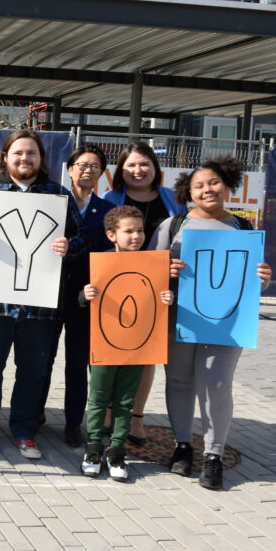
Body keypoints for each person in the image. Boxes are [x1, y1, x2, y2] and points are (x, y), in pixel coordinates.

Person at [0, 129, 87, 459]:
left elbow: (81, 239)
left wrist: (69, 246)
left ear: (41, 159)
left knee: (33, 371)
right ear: (6, 157)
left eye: (31, 153)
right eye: (18, 153)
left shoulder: (58, 197)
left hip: (40, 307)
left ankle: (25, 431)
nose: (24, 159)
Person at [152, 156, 271, 490]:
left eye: (214, 183)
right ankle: (183, 446)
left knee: (217, 383)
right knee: (179, 380)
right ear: (188, 192)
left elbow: (254, 281)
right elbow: (148, 271)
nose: (208, 190)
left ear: (228, 184)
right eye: (199, 186)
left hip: (227, 322)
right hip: (180, 318)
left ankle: (213, 455)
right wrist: (167, 273)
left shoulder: (244, 228)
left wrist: (264, 279)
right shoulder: (173, 226)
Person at [80, 206, 174, 481]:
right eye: (128, 231)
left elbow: (158, 303)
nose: (136, 236)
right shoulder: (101, 263)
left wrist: (167, 298)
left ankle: (117, 451)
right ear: (111, 235)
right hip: (105, 346)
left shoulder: (154, 265)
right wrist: (85, 295)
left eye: (140, 230)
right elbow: (80, 300)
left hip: (138, 347)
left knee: (125, 402)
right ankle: (93, 449)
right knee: (98, 400)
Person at [103, 141, 185, 446]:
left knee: (146, 356)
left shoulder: (174, 201)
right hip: (118, 286)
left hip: (159, 288)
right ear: (121, 171)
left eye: (144, 164)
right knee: (114, 352)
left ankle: (137, 418)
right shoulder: (110, 199)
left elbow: (185, 239)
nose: (138, 171)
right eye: (131, 166)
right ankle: (109, 413)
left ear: (155, 168)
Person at [39, 145, 116, 447]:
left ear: (101, 174)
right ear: (69, 169)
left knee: (77, 360)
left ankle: (73, 422)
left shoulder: (107, 211)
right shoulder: (52, 201)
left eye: (95, 167)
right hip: (48, 290)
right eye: (82, 165)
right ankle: (34, 413)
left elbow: (112, 254)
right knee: (42, 356)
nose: (87, 170)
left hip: (87, 297)